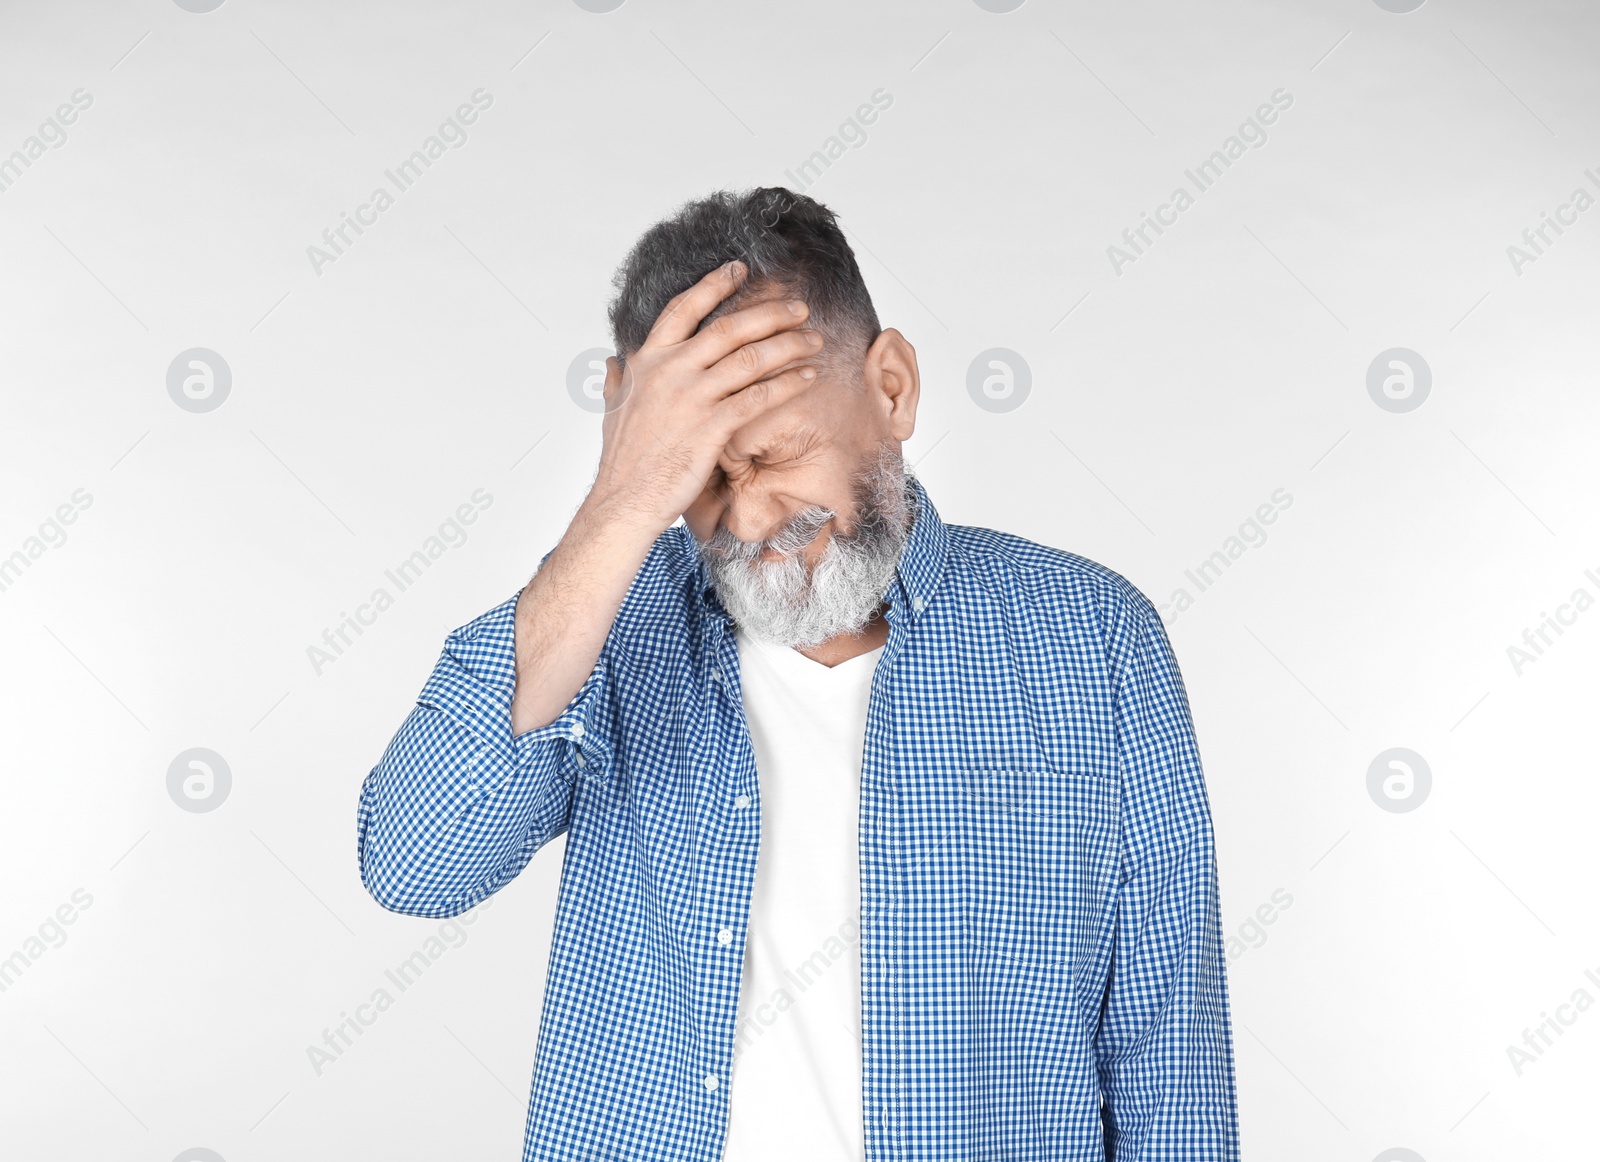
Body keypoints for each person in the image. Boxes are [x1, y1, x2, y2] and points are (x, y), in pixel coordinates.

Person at [357, 187, 1239, 1161]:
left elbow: (1168, 1055)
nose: (746, 519)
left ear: (892, 387)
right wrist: (622, 501)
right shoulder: (604, 629)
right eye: (698, 476)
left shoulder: (1095, 640)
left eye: (776, 453)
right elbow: (413, 863)